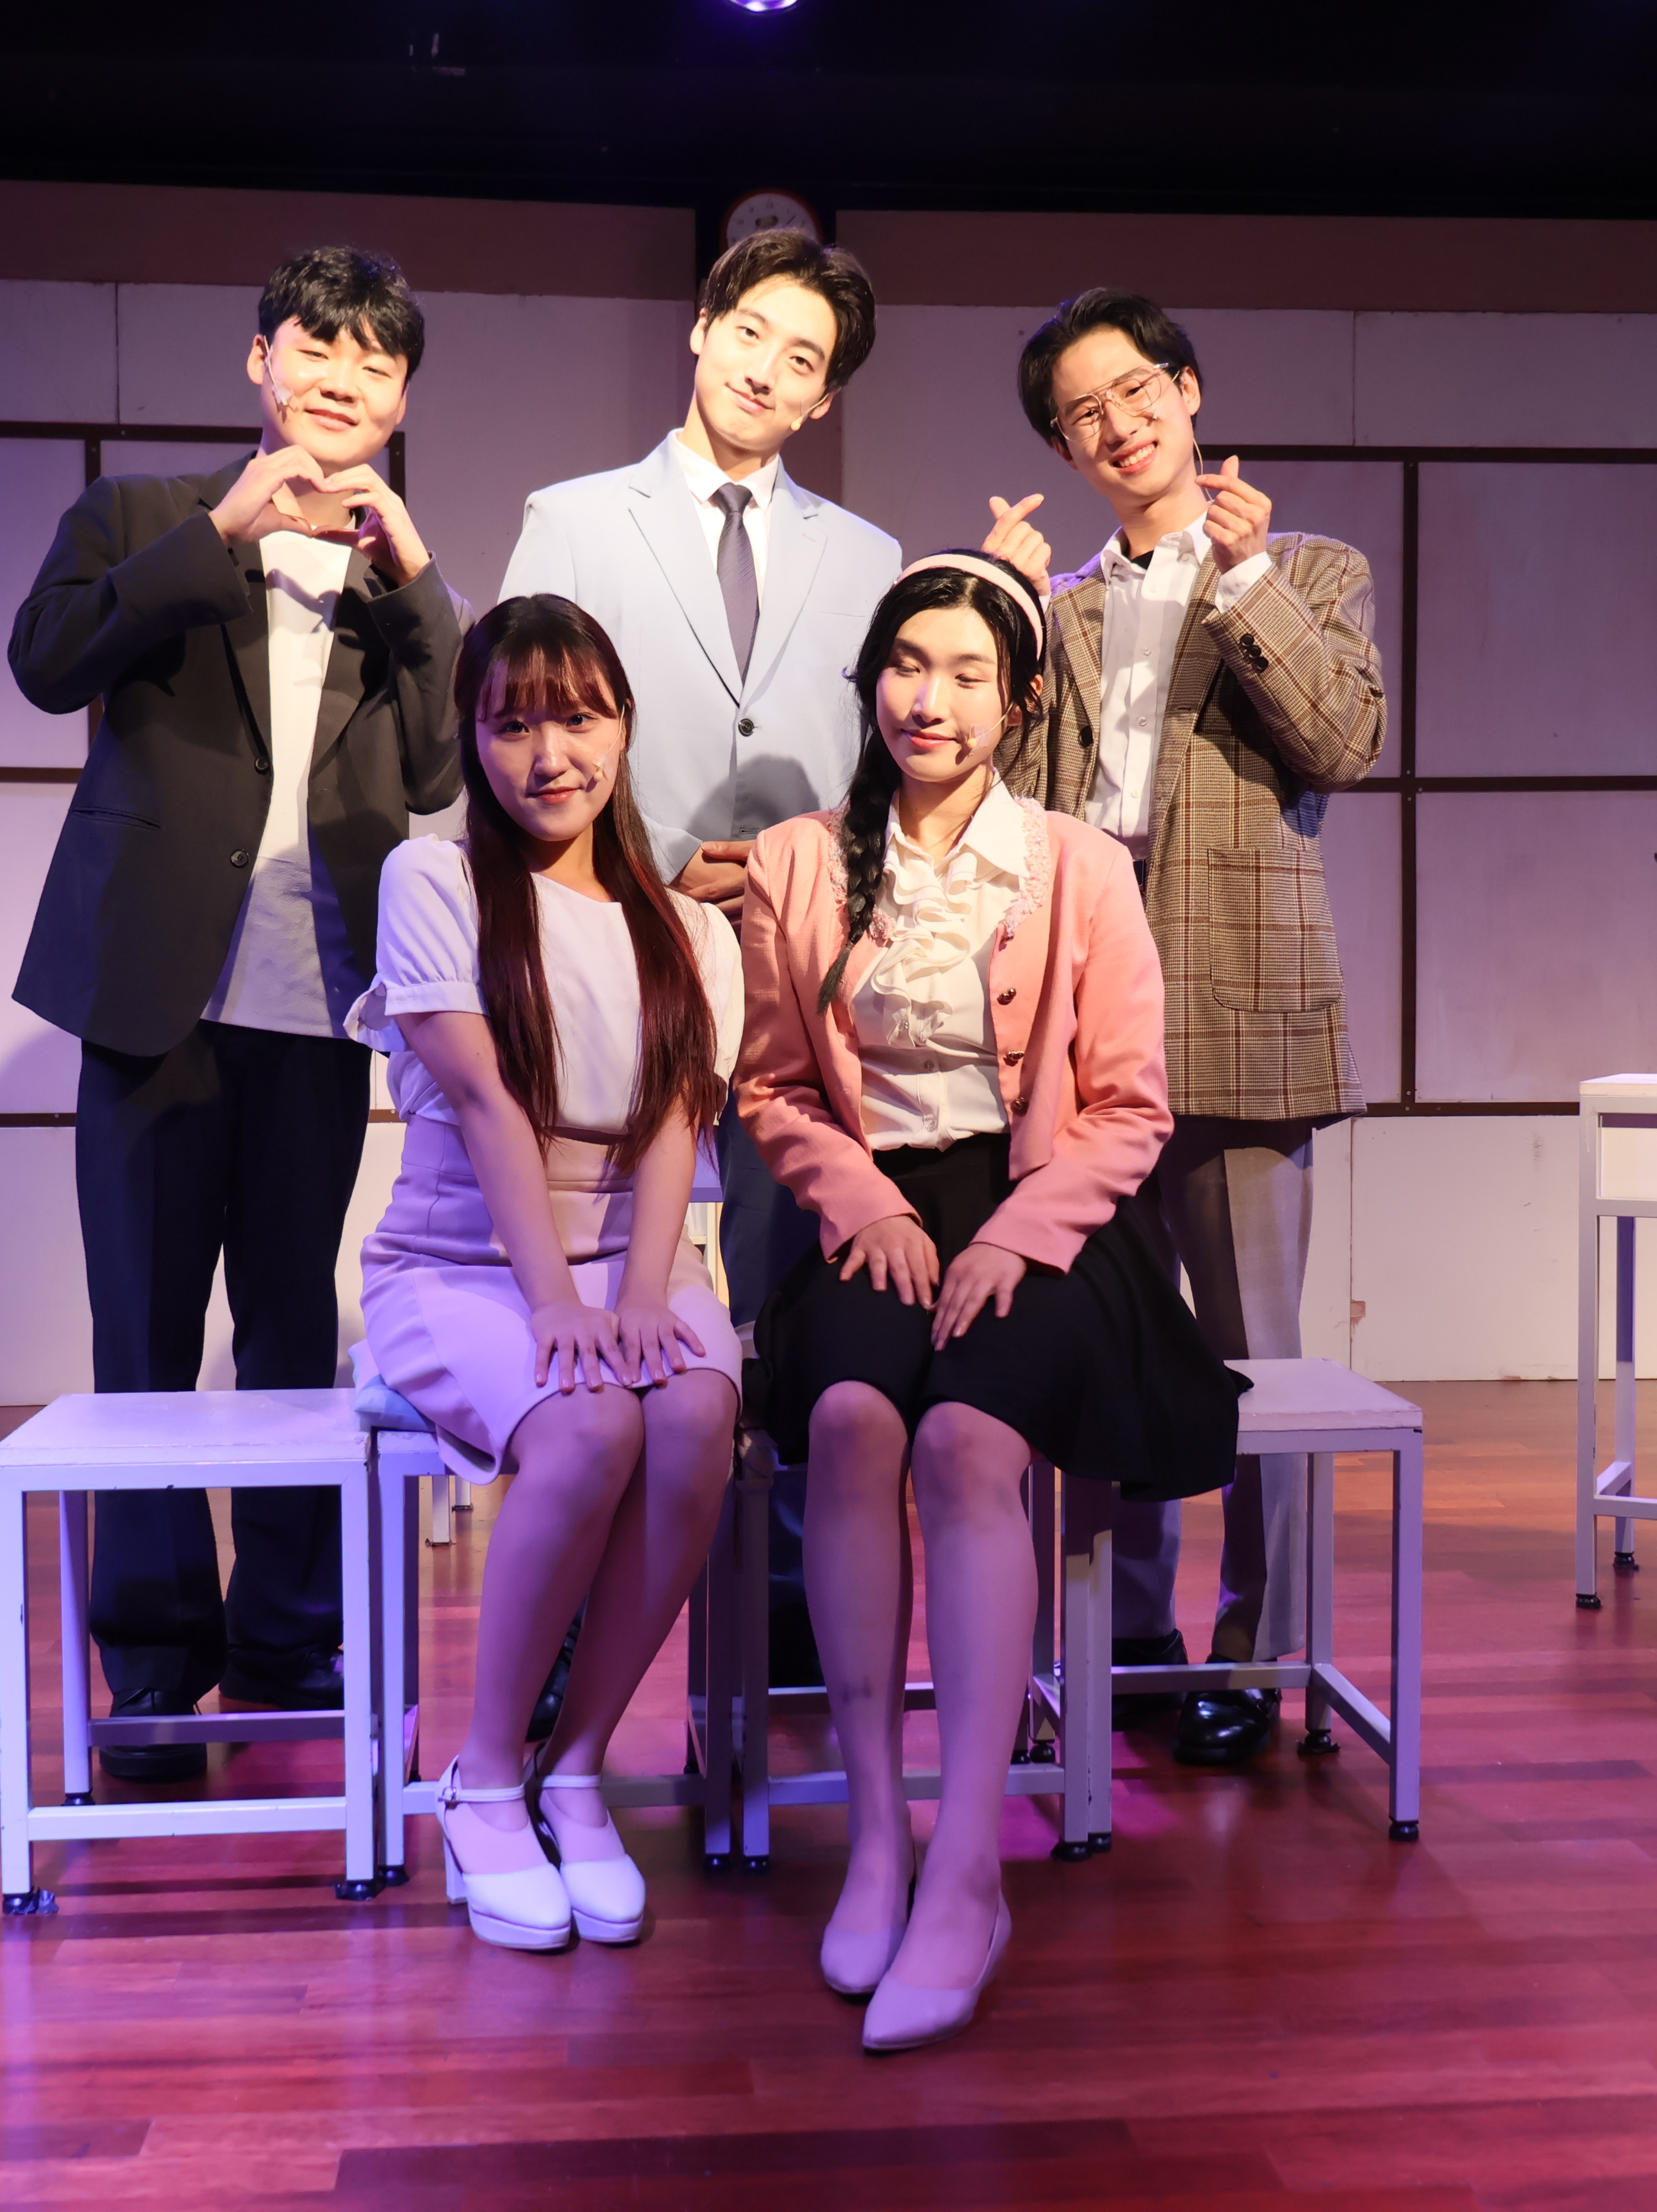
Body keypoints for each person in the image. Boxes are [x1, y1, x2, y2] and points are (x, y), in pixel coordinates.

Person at [737, 554, 1245, 2051]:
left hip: (1052, 1211)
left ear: (1017, 704)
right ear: (871, 682)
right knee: (849, 1417)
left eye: (968, 674)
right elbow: (771, 1085)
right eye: (909, 665)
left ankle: (969, 1864)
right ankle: (877, 1837)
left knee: (968, 1441)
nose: (932, 699)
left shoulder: (1081, 864)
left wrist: (1020, 1233)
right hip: (875, 1202)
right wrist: (862, 1201)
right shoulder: (797, 861)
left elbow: (1131, 1108)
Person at [9, 246, 464, 1778]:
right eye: (316, 349)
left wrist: (423, 585)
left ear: (401, 401)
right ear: (260, 362)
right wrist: (220, 534)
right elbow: (46, 660)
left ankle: (286, 1636)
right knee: (142, 1333)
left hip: (318, 1001)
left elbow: (444, 766)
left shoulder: (397, 581)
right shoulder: (143, 513)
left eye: (376, 364)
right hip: (156, 991)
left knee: (290, 1334)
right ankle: (151, 1665)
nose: (343, 380)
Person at [986, 289, 1387, 1768]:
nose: (1119, 424)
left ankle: (1264, 1653)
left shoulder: (1312, 567)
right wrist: (996, 609)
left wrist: (1247, 578)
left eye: (1137, 390)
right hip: (1085, 1023)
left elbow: (1344, 743)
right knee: (1099, 1348)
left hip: (1241, 1004)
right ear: (1063, 446)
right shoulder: (1062, 607)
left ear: (1190, 390)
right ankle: (1123, 1641)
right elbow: (996, 802)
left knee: (1257, 1360)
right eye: (1084, 412)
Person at [502, 228, 903, 1686]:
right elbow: (525, 719)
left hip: (799, 969)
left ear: (823, 397)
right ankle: (569, 1625)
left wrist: (802, 875)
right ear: (701, 327)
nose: (767, 372)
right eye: (752, 334)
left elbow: (882, 765)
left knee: (793, 1282)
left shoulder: (868, 557)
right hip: (625, 944)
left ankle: (782, 1624)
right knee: (617, 1263)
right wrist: (660, 854)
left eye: (804, 361)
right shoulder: (573, 518)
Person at [352, 594, 745, 1954]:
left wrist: (639, 1294)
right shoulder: (435, 879)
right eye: (512, 722)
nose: (548, 753)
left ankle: (575, 1765)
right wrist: (558, 1305)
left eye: (577, 716)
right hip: (464, 1257)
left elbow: (677, 1123)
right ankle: (481, 1777)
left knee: (695, 1409)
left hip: (634, 1251)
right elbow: (485, 1103)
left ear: (624, 726)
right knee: (586, 1423)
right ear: (472, 736)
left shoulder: (691, 929)